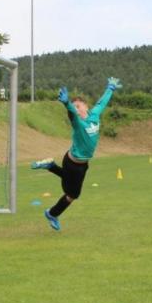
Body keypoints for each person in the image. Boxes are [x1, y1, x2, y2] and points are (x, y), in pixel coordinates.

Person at [30, 77, 121, 231]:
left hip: (82, 164)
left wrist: (110, 89)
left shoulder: (94, 115)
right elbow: (72, 113)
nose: (76, 108)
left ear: (86, 106)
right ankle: (52, 213)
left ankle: (51, 166)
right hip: (72, 163)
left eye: (78, 105)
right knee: (72, 195)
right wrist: (67, 104)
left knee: (70, 188)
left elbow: (102, 103)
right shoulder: (78, 124)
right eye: (75, 107)